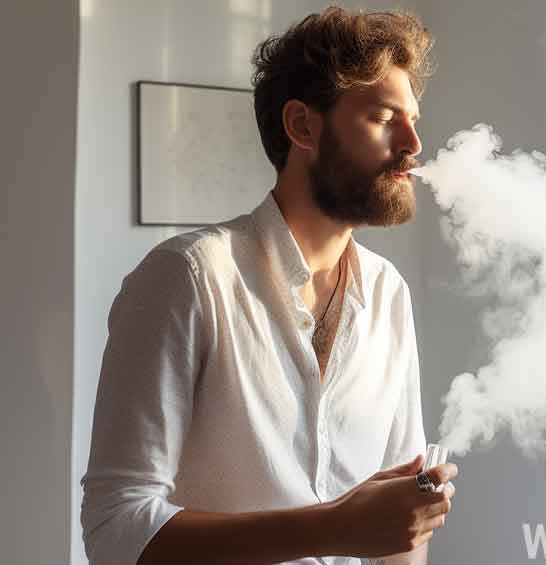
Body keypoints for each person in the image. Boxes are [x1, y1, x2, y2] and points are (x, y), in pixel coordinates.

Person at [79, 6, 458, 565]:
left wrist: (390, 524)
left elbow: (397, 532)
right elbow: (116, 529)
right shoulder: (188, 278)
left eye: (413, 118)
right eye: (383, 117)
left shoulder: (387, 293)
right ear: (303, 126)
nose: (414, 143)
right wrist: (330, 529)